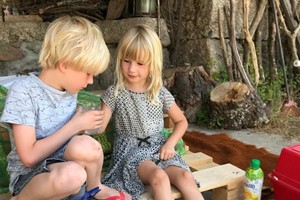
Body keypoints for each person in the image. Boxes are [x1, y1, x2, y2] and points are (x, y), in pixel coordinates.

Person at [0, 15, 130, 200]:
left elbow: (71, 144)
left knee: (87, 147)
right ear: (65, 64)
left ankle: (95, 188)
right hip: (31, 179)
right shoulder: (24, 91)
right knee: (74, 175)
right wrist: (74, 126)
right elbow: (28, 157)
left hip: (65, 168)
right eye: (87, 73)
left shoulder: (69, 91)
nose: (91, 81)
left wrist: (83, 128)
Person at [100, 25, 205, 200]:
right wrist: (86, 122)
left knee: (187, 177)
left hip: (159, 147)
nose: (132, 69)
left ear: (153, 64)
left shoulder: (159, 92)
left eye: (140, 63)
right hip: (131, 152)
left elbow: (181, 121)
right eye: (127, 61)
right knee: (159, 177)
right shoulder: (115, 92)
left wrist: (170, 144)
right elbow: (100, 126)